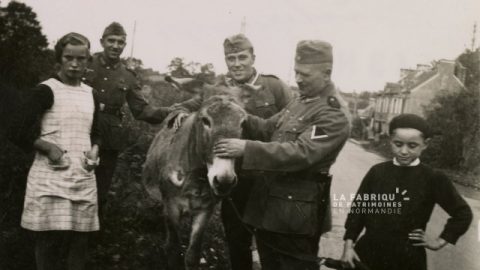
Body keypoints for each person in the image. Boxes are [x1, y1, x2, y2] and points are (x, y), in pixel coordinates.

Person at [214, 40, 350, 270]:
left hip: (295, 217)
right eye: (296, 72)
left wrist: (246, 148)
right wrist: (238, 114)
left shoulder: (333, 114)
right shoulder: (301, 100)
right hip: (270, 210)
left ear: (326, 73)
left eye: (305, 74)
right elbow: (268, 128)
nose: (298, 79)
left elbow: (302, 153)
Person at [173, 33, 293, 270]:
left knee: (271, 244)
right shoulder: (220, 88)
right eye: (231, 58)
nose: (236, 63)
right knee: (237, 242)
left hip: (270, 181)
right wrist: (178, 111)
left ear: (253, 57)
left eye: (242, 57)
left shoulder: (275, 87)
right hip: (235, 179)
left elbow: (292, 125)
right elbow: (195, 105)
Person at [340, 114, 473, 270]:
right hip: (367, 255)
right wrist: (348, 248)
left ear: (425, 144)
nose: (403, 151)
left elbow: (463, 213)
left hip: (408, 259)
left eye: (412, 146)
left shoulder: (433, 178)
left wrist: (438, 242)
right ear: (390, 141)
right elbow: (358, 212)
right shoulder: (377, 172)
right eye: (398, 144)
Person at [20, 32, 101, 270]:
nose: (75, 64)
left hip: (82, 178)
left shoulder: (91, 93)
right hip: (50, 178)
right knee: (48, 239)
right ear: (60, 59)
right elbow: (17, 130)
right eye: (69, 58)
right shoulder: (46, 90)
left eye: (81, 59)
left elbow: (96, 131)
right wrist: (47, 147)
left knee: (80, 239)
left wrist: (95, 150)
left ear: (88, 61)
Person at [82, 22, 170, 215]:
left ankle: (90, 236)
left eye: (120, 42)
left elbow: (142, 110)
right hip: (80, 129)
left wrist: (173, 111)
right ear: (102, 41)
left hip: (109, 138)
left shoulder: (128, 76)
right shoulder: (85, 63)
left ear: (124, 45)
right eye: (111, 41)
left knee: (99, 190)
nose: (115, 46)